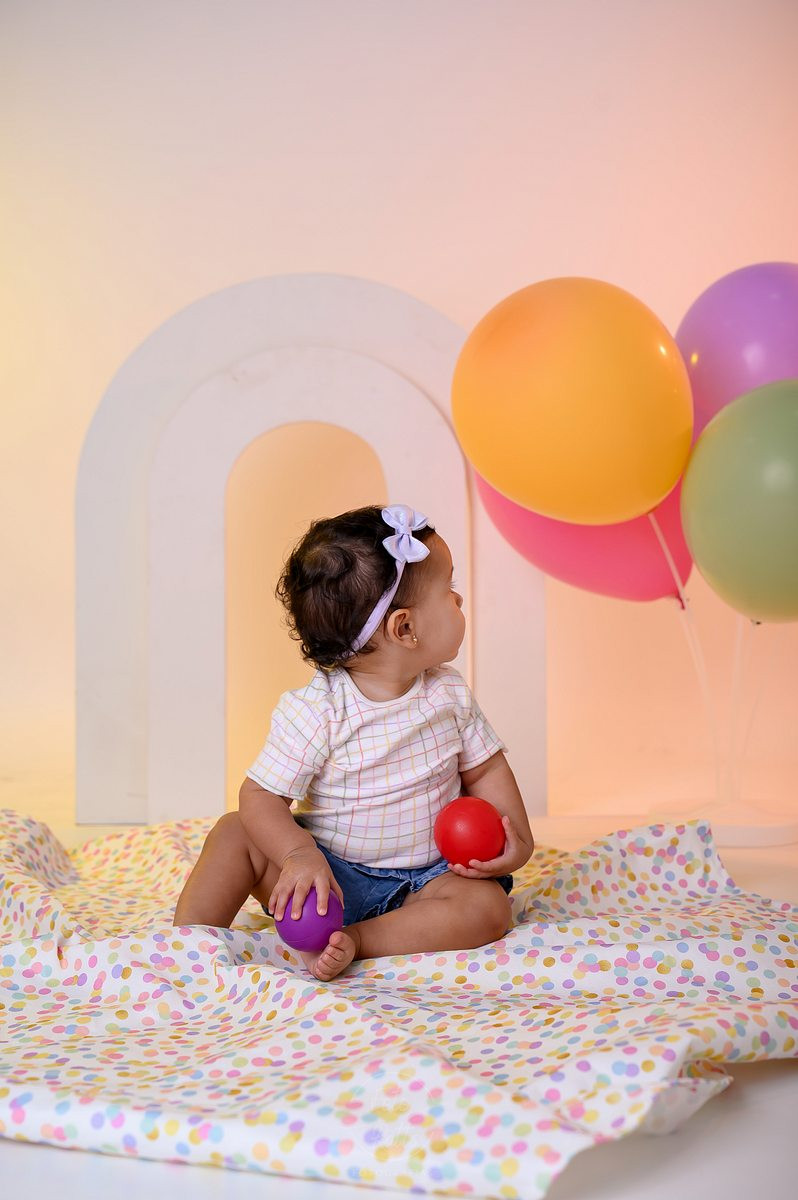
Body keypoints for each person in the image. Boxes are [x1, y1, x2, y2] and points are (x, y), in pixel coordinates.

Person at [173, 504, 535, 980]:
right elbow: (261, 795)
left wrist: (517, 841)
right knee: (233, 832)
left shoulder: (448, 694)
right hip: (327, 879)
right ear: (405, 628)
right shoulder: (318, 709)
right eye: (448, 590)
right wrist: (298, 855)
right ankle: (183, 948)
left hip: (427, 884)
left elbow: (485, 768)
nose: (459, 599)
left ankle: (361, 940)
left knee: (487, 910)